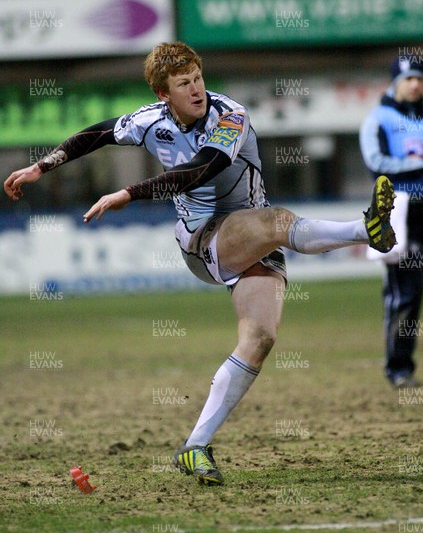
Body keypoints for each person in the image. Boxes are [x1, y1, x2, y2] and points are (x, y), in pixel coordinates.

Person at [4, 41, 396, 486]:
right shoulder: (150, 121)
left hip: (252, 241)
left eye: (198, 78)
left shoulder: (231, 115)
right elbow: (100, 133)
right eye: (183, 84)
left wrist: (127, 193)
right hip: (203, 241)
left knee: (260, 338)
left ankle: (194, 447)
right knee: (277, 219)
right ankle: (368, 229)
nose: (196, 90)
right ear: (162, 95)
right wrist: (42, 166)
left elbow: (203, 168)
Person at [360, 54, 423, 388]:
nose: (415, 84)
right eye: (408, 78)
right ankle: (399, 368)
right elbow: (376, 163)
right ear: (395, 82)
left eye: (419, 78)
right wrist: (416, 165)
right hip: (402, 210)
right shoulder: (379, 119)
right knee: (405, 293)